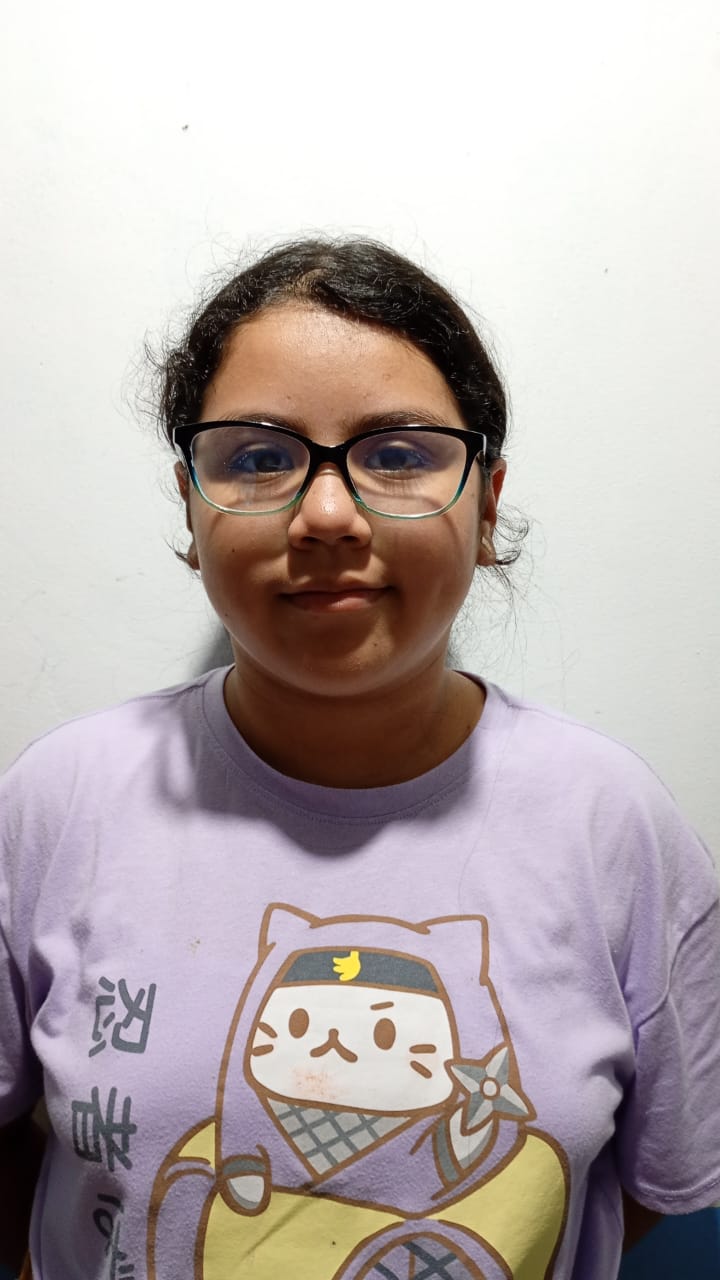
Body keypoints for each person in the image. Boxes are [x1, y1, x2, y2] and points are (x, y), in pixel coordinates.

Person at [1, 238, 718, 1280]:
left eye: (398, 454)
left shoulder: (613, 824)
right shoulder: (57, 801)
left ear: (486, 502)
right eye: (258, 458)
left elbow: (647, 1183)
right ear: (192, 507)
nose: (327, 515)